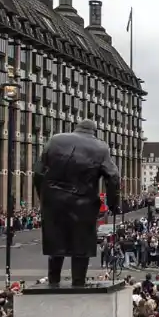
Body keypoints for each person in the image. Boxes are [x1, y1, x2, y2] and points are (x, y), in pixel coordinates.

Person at [33, 119, 122, 287]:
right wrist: (113, 203)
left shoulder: (55, 140)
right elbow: (113, 177)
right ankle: (78, 282)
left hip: (53, 200)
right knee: (81, 244)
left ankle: (53, 281)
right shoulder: (100, 147)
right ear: (93, 131)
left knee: (55, 242)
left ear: (77, 128)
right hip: (83, 202)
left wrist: (43, 196)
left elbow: (38, 171)